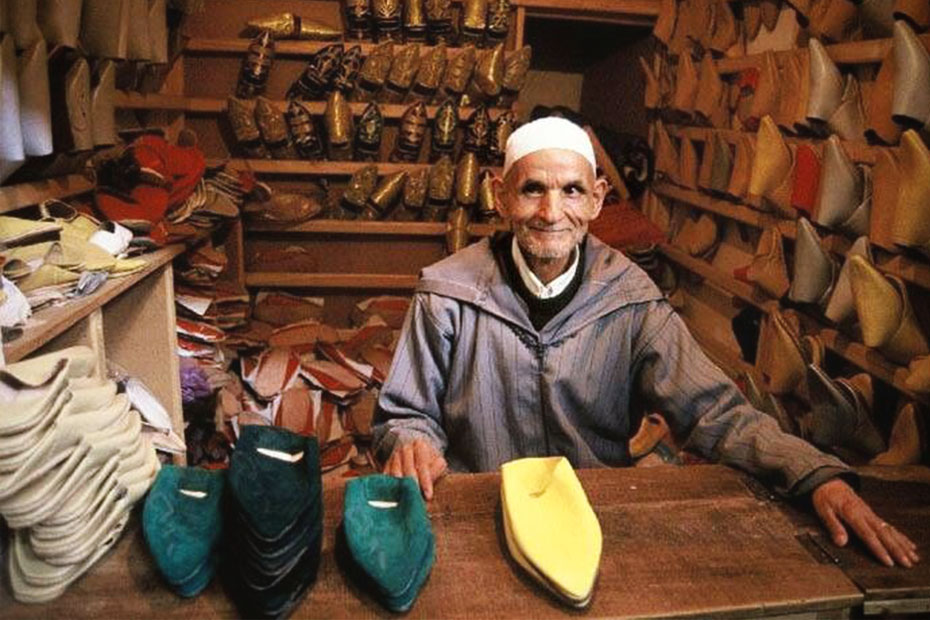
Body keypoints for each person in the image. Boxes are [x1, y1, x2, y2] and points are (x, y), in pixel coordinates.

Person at [371, 116, 919, 568]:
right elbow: (405, 413)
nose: (550, 212)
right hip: (478, 517)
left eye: (571, 191)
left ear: (597, 199)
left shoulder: (630, 298)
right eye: (532, 189)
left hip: (593, 520)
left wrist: (814, 473)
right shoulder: (447, 291)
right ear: (500, 195)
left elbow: (715, 412)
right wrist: (411, 441)